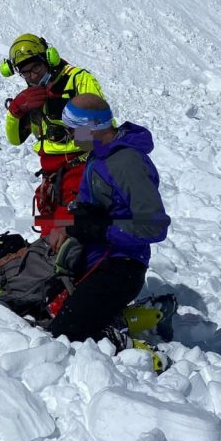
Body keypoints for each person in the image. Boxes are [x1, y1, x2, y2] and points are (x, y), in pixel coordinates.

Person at [46, 94, 170, 344]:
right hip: (93, 255)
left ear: (91, 127)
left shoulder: (127, 163)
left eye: (71, 130)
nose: (69, 137)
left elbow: (154, 227)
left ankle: (132, 342)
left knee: (64, 336)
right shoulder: (97, 156)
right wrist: (68, 227)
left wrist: (103, 230)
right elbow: (86, 206)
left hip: (122, 266)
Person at [0, 33, 104, 236]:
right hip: (51, 175)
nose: (32, 76)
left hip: (81, 169)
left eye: (36, 67)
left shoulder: (78, 80)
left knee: (66, 233)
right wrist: (15, 111)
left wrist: (65, 116)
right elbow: (14, 139)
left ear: (49, 58)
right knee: (51, 230)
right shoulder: (30, 97)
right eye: (25, 72)